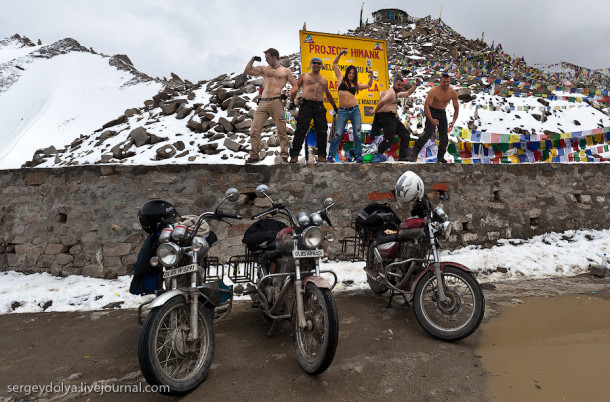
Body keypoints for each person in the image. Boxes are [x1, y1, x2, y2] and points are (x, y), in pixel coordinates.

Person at [244, 48, 297, 164]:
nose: (266, 60)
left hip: (276, 101)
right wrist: (252, 59)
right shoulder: (264, 69)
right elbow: (247, 71)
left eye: (268, 58)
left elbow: (295, 86)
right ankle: (253, 155)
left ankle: (284, 155)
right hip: (263, 102)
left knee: (281, 130)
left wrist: (287, 94)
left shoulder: (285, 71)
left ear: (274, 57)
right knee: (254, 129)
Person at [288, 57, 338, 163]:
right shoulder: (305, 76)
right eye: (314, 63)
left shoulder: (324, 80)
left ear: (321, 65)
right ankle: (294, 155)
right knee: (301, 130)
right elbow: (296, 88)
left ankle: (321, 156)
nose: (316, 64)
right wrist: (292, 101)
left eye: (318, 63)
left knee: (322, 131)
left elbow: (328, 94)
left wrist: (334, 106)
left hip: (319, 106)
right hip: (306, 105)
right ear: (311, 64)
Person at [327, 49, 373, 163]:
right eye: (350, 73)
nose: (351, 75)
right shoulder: (341, 78)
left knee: (357, 134)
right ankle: (331, 156)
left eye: (353, 73)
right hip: (342, 111)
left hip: (355, 110)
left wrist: (371, 74)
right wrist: (341, 54)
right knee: (337, 134)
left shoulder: (355, 85)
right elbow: (334, 64)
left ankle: (358, 156)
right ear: (347, 72)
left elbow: (369, 85)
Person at [409, 73, 459, 163]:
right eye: (444, 82)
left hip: (442, 113)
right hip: (431, 111)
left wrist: (453, 121)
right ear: (440, 82)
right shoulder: (434, 90)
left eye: (448, 82)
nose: (446, 84)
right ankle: (414, 153)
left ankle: (440, 157)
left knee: (444, 137)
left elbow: (456, 107)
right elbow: (426, 106)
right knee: (428, 133)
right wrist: (431, 119)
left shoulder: (452, 92)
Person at [372, 76, 422, 161]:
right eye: (398, 85)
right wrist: (375, 111)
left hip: (392, 118)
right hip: (386, 117)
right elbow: (382, 101)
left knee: (405, 134)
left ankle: (403, 156)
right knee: (389, 139)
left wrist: (416, 85)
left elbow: (407, 93)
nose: (400, 87)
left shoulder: (395, 93)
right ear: (393, 83)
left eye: (401, 86)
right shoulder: (391, 92)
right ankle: (378, 154)